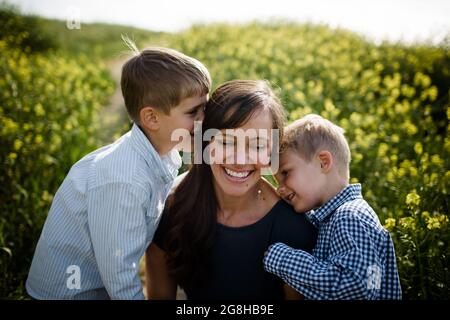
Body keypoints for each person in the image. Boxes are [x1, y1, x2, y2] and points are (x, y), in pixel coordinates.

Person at [25, 47, 211, 299]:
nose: (205, 119)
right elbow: (120, 274)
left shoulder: (163, 152)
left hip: (98, 284)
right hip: (71, 292)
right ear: (152, 118)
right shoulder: (125, 180)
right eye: (193, 112)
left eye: (205, 107)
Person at [146, 80, 318, 300]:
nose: (239, 160)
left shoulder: (292, 228)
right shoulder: (171, 205)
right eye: (226, 142)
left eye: (257, 145)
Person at [263, 114, 402, 299]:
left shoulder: (350, 217)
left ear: (323, 162)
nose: (280, 189)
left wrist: (281, 258)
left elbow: (357, 287)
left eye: (286, 173)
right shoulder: (329, 219)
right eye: (276, 181)